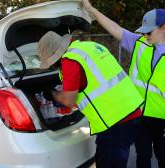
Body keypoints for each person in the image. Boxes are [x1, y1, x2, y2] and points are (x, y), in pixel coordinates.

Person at [82, 0, 165, 168]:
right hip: (139, 115)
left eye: (149, 32)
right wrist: (91, 10)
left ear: (163, 28)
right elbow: (115, 28)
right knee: (143, 156)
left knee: (164, 158)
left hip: (164, 117)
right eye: (144, 32)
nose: (145, 36)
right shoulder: (139, 44)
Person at [38, 31, 144, 168]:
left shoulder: (70, 60)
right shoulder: (90, 46)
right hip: (131, 112)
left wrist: (51, 94)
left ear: (56, 55)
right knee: (104, 160)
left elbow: (68, 101)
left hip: (114, 121)